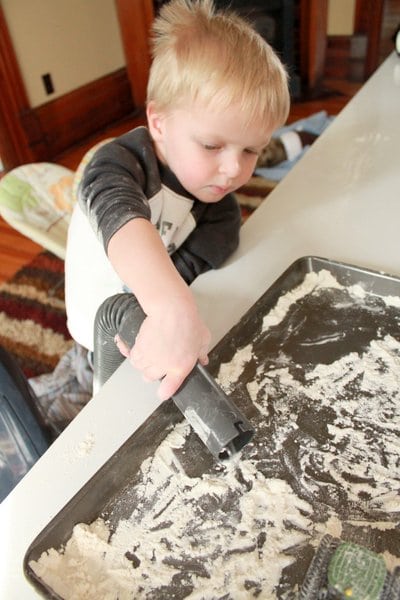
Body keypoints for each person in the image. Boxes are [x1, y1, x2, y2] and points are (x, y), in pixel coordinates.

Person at [65, 0, 290, 402]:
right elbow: (122, 222)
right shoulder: (119, 165)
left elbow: (189, 276)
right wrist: (171, 307)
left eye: (251, 151)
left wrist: (172, 317)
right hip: (92, 339)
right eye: (211, 145)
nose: (233, 170)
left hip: (146, 335)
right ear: (159, 122)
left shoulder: (220, 216)